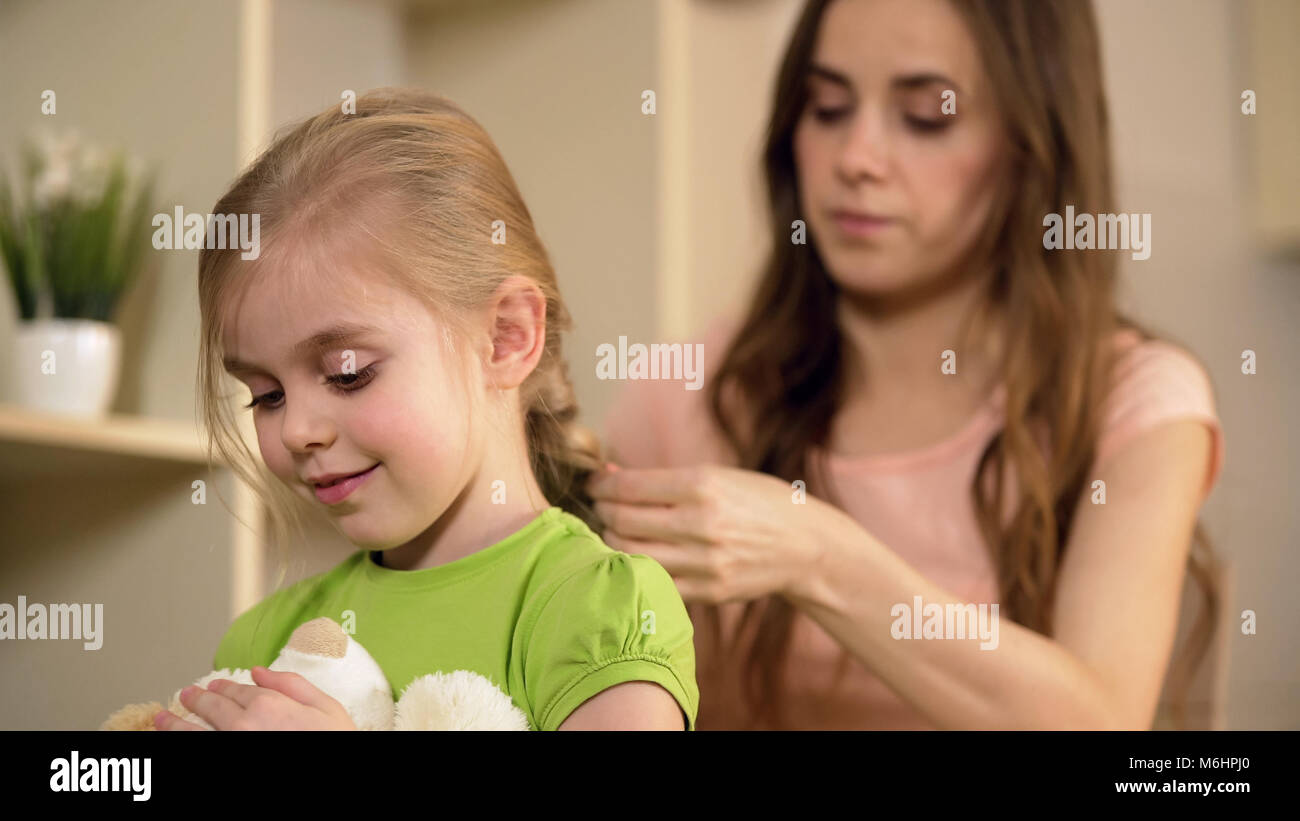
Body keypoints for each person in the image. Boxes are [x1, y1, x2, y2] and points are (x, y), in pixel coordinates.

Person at [593, 0, 1223, 730]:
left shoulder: (1136, 404)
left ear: (1031, 145)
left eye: (926, 116)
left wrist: (817, 555)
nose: (856, 158)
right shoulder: (687, 392)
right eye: (827, 107)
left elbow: (1099, 721)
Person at [158, 88, 697, 731]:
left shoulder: (598, 612)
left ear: (506, 336)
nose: (296, 430)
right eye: (266, 395)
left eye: (347, 373)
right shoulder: (268, 647)